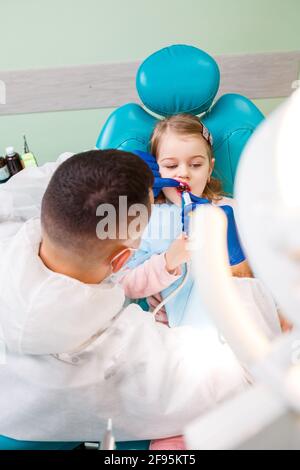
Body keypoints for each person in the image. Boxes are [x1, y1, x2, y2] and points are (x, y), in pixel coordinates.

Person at [0, 149, 247, 445]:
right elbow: (237, 378)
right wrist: (244, 281)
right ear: (121, 261)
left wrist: (115, 170)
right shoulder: (117, 358)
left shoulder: (10, 224)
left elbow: (52, 183)